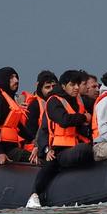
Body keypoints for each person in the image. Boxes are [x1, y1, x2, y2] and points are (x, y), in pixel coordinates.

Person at [26, 70, 95, 207]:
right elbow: (62, 120)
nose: (76, 88)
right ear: (63, 86)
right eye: (72, 84)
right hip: (57, 150)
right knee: (52, 164)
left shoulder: (78, 100)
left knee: (89, 149)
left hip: (75, 144)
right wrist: (46, 150)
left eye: (77, 84)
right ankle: (34, 194)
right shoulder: (54, 101)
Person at [0, 67, 31, 164]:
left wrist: (33, 139)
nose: (16, 80)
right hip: (3, 149)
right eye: (11, 78)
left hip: (11, 147)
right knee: (30, 158)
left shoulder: (9, 99)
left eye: (16, 77)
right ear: (3, 80)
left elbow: (17, 125)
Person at [22, 70, 58, 151]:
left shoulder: (60, 103)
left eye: (54, 86)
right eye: (47, 87)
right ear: (40, 88)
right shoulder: (34, 105)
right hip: (38, 149)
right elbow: (30, 134)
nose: (51, 89)